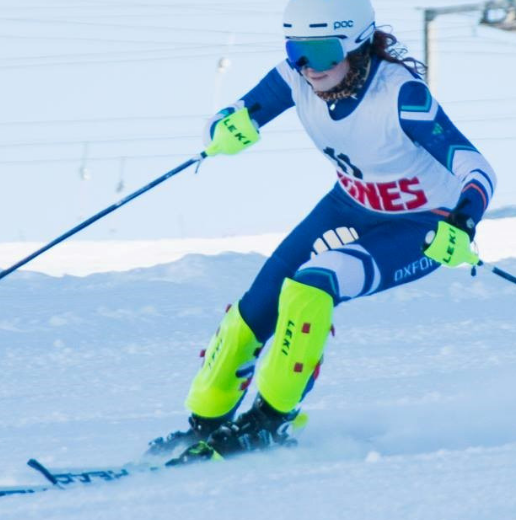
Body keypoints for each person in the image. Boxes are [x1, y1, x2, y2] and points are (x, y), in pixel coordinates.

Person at [150, 0, 498, 463]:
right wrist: (225, 129)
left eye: (322, 53)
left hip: (425, 224)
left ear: (356, 45)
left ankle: (270, 421)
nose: (309, 68)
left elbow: (478, 168)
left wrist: (464, 221)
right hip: (348, 205)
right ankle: (205, 422)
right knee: (257, 305)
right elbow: (232, 113)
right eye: (298, 52)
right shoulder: (294, 77)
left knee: (314, 285)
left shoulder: (400, 96)